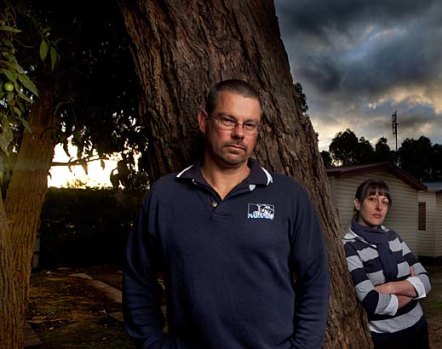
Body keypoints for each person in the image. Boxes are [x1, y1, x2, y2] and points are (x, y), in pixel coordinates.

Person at [123, 79, 329, 349]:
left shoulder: (289, 196)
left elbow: (314, 279)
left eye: (249, 125)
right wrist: (151, 343)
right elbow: (138, 277)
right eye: (228, 120)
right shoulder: (164, 195)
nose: (239, 133)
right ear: (203, 121)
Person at [342, 179, 431, 349]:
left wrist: (389, 287)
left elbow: (426, 282)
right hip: (386, 338)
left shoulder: (393, 237)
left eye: (385, 202)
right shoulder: (349, 245)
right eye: (372, 199)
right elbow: (372, 302)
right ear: (358, 204)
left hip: (418, 326)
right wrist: (412, 289)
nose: (379, 207)